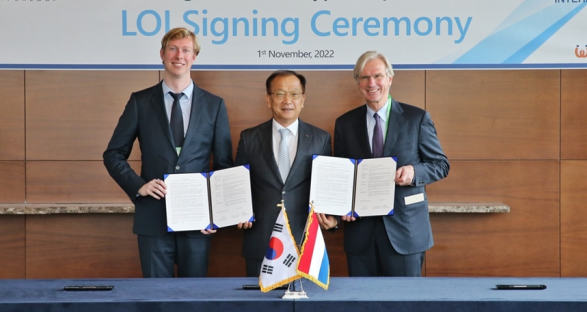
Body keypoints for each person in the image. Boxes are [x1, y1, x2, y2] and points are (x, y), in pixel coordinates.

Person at [103, 27, 233, 278]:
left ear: (194, 56)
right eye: (173, 49)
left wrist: (216, 214)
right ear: (162, 54)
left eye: (186, 50)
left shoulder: (214, 105)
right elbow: (113, 154)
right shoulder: (140, 101)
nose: (179, 55)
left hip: (198, 222)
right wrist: (138, 186)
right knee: (155, 298)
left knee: (193, 299)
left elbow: (224, 165)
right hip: (153, 218)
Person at [331, 51, 449, 277]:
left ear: (390, 79)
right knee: (361, 304)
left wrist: (414, 172)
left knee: (404, 304)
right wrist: (341, 207)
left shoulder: (416, 118)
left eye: (377, 76)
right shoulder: (345, 123)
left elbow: (441, 164)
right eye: (364, 78)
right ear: (358, 83)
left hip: (405, 233)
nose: (371, 83)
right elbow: (342, 175)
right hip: (360, 235)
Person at [235, 70, 333, 277]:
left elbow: (328, 187)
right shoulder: (248, 138)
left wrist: (334, 219)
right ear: (268, 99)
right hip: (261, 240)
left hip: (304, 241)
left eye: (294, 94)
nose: (287, 100)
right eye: (279, 93)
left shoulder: (321, 138)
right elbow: (239, 187)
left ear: (303, 99)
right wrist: (239, 211)